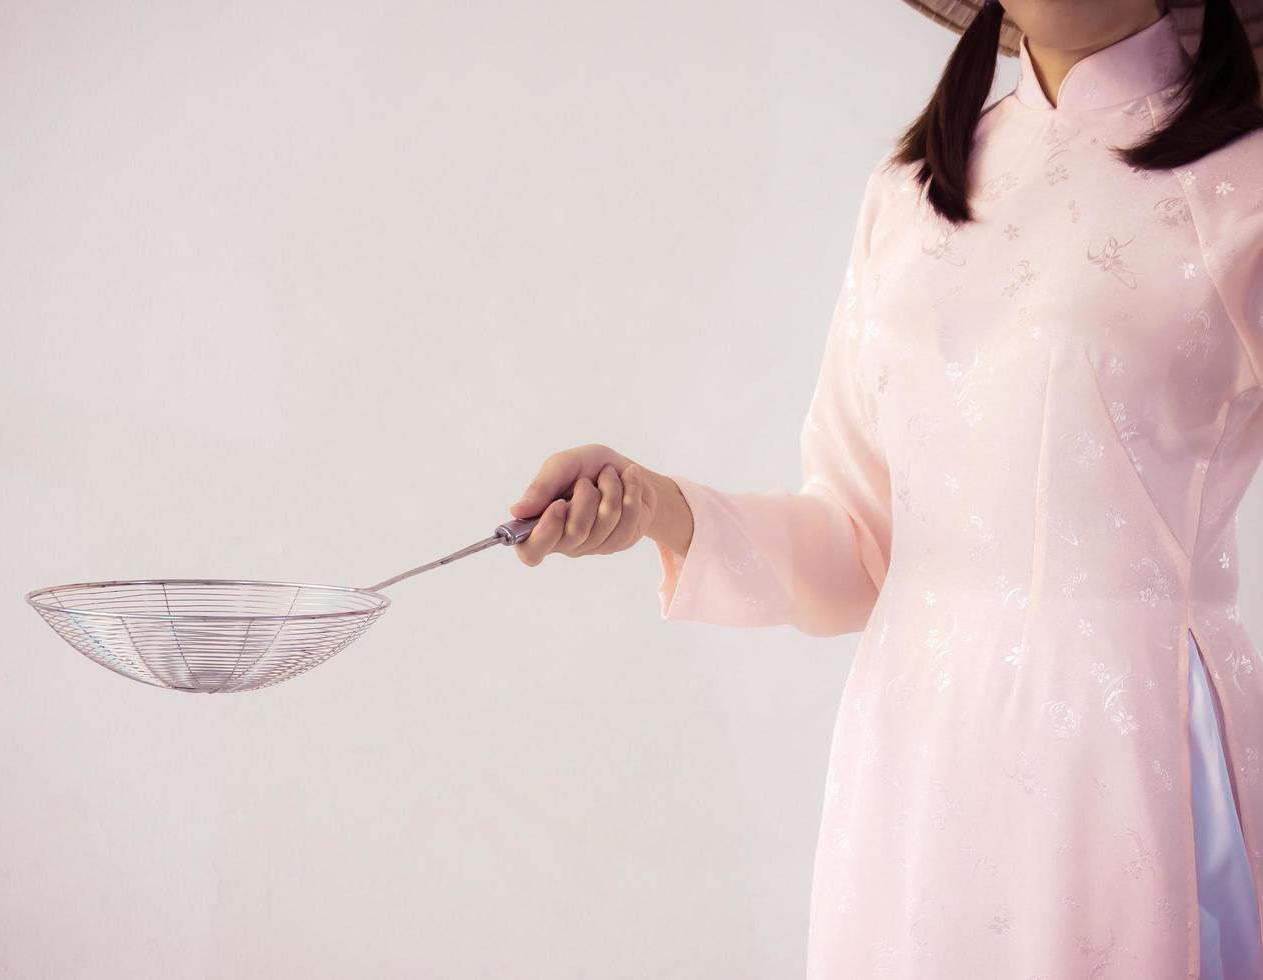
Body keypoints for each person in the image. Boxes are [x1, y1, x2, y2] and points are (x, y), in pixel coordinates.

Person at [505, 1, 1263, 977]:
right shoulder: (909, 193)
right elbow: (858, 546)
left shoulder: (1242, 187)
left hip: (1125, 755)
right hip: (914, 752)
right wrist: (657, 506)